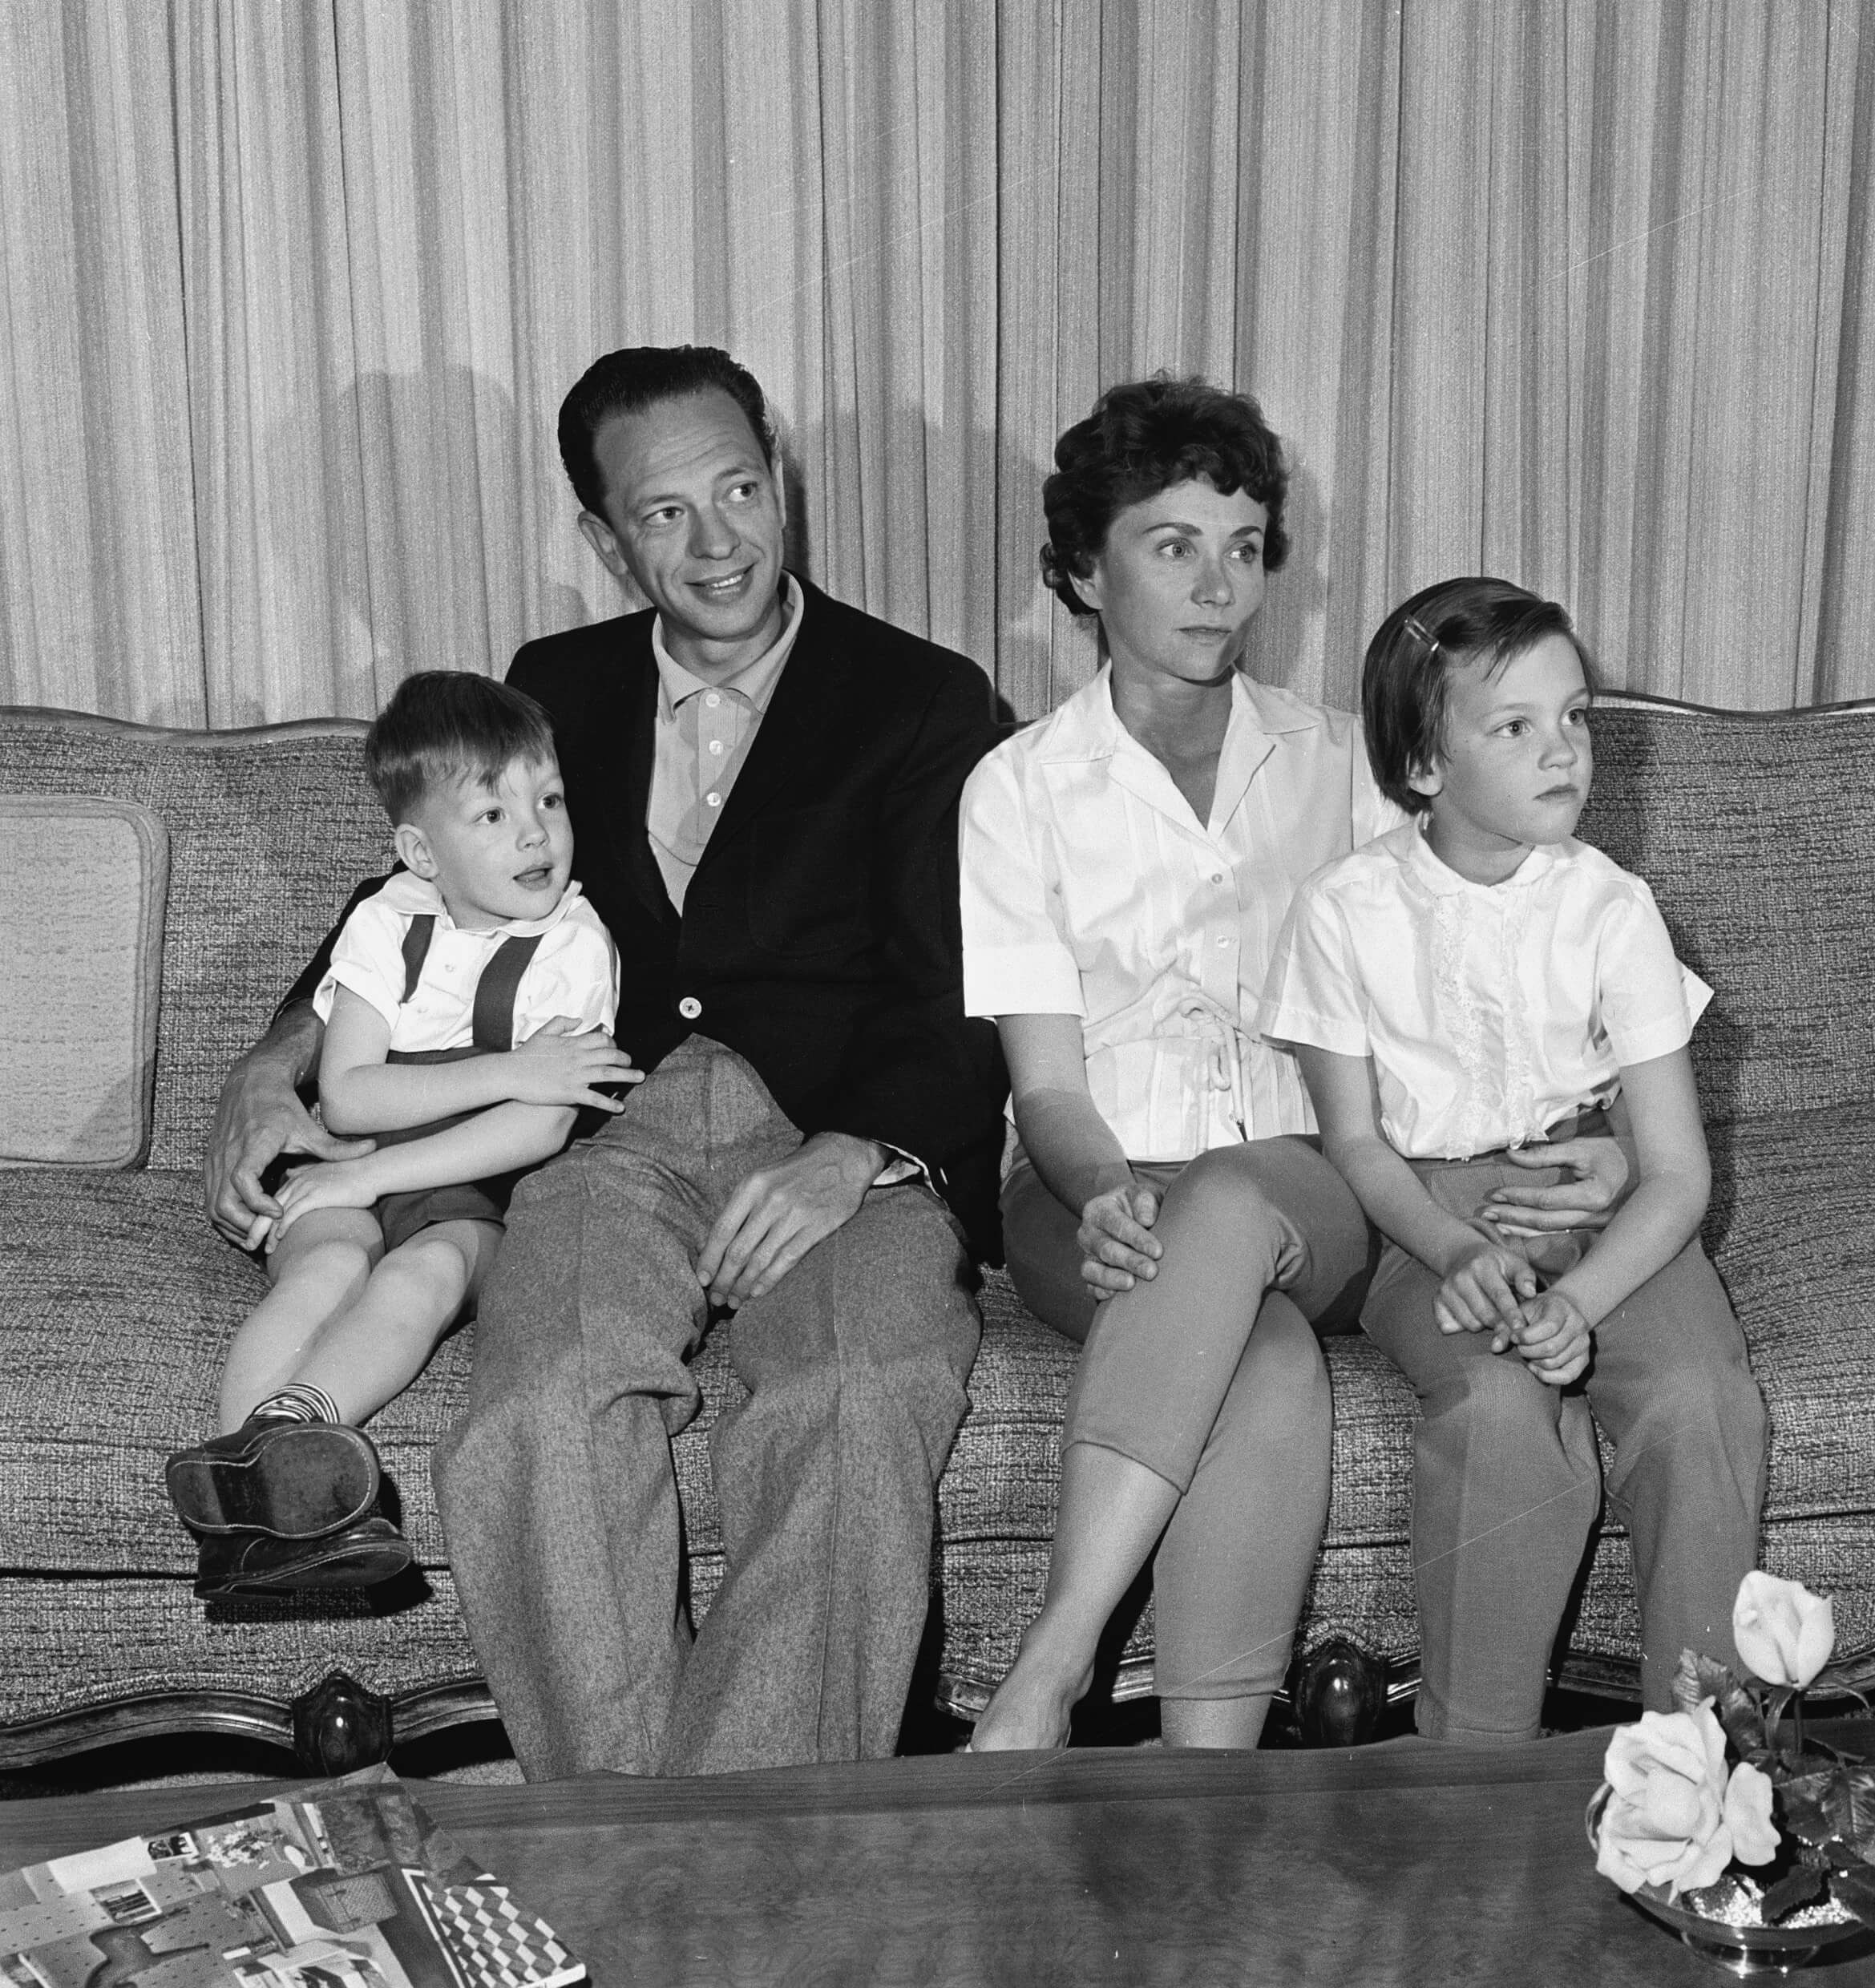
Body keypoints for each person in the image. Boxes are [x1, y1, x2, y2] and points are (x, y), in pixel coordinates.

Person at [200, 345, 1008, 1777]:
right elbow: (408, 899)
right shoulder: (554, 684)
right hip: (604, 1131)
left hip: (840, 1142)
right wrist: (275, 1062)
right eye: (664, 513)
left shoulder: (923, 698)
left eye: (740, 490)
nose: (719, 543)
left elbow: (964, 981)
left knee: (853, 1398)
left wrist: (856, 1152)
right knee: (542, 1407)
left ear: (780, 480)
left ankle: (729, 1859)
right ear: (604, 538)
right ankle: (622, 1836)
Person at [957, 377, 1629, 1752]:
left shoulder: (1347, 764)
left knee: (1257, 1223)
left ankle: (1051, 1667)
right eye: (1173, 546)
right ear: (1081, 570)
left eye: (1246, 547)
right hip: (1094, 1187)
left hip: (1316, 1188)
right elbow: (1049, 1087)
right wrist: (1100, 1189)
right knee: (1263, 1365)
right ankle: (1203, 1787)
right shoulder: (1016, 789)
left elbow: (1503, 971)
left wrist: (1606, 1130)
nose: (1219, 587)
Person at [1262, 576, 1769, 1743]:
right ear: (1422, 764)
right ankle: (1472, 1763)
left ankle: (1704, 1762)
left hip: (1595, 1200)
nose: (1564, 750)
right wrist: (1451, 1249)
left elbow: (1677, 1173)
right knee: (1498, 1406)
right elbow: (1354, 1142)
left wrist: (1580, 1303)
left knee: (1700, 1399)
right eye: (1516, 726)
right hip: (1426, 1211)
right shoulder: (1343, 910)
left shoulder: (1613, 907)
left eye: (1576, 716)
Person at [165, 671, 627, 1602]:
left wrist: (502, 1098)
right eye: (491, 814)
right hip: (347, 1159)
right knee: (327, 1265)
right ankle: (252, 1480)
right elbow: (349, 1094)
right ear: (420, 851)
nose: (535, 833)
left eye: (548, 800)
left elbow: (541, 1122)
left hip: (474, 1179)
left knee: (431, 1270)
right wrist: (511, 1068)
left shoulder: (577, 942)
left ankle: (282, 1439)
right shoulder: (385, 921)